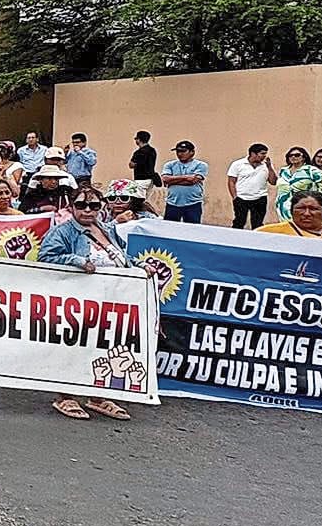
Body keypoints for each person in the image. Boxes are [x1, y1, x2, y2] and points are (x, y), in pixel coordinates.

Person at [38, 189, 138, 422]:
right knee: (74, 345)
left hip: (112, 297)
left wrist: (141, 267)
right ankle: (66, 395)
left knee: (105, 346)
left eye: (93, 206)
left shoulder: (109, 229)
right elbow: (45, 257)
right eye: (81, 205)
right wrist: (77, 260)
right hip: (78, 298)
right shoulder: (62, 232)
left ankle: (98, 395)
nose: (87, 210)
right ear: (71, 207)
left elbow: (122, 257)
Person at [221, 143, 277, 229]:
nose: (264, 156)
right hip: (241, 198)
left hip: (260, 198)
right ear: (253, 153)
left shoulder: (266, 165)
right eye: (262, 153)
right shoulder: (238, 164)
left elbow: (273, 182)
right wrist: (235, 197)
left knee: (258, 223)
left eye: (265, 154)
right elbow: (231, 181)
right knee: (239, 222)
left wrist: (269, 167)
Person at [160, 141, 208, 224]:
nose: (179, 154)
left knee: (192, 229)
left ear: (192, 152)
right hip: (172, 203)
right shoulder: (170, 165)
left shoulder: (201, 165)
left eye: (183, 151)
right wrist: (186, 177)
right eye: (178, 151)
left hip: (193, 203)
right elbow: (165, 179)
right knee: (169, 228)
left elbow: (193, 181)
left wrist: (172, 181)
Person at [273, 146, 322, 220]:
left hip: (302, 205)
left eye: (297, 155)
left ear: (304, 157)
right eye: (290, 155)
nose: (293, 157)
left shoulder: (311, 170)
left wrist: (318, 203)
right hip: (282, 205)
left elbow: (321, 187)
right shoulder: (284, 170)